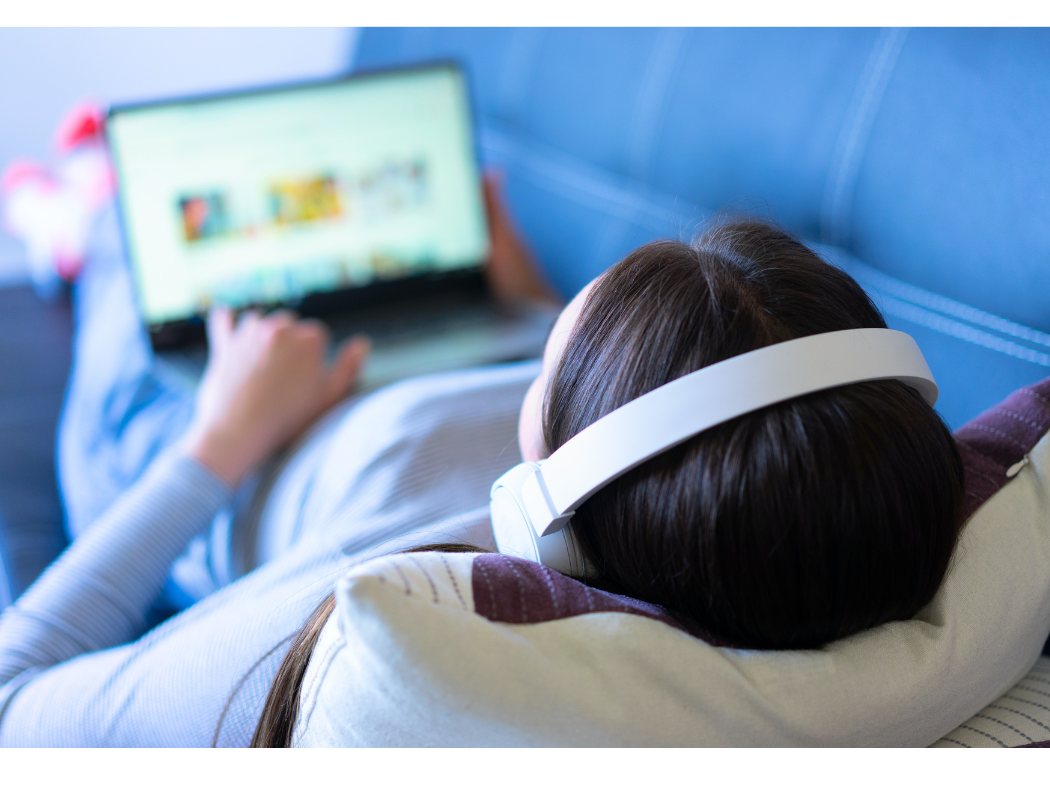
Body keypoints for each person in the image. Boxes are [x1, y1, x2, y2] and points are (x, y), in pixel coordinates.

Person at [0, 185, 964, 745]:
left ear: (548, 501)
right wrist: (537, 304)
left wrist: (220, 437)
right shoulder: (707, 509)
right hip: (370, 395)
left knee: (130, 263)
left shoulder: (334, 630)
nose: (549, 343)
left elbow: (15, 700)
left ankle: (73, 210)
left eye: (548, 362)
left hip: (234, 451)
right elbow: (674, 429)